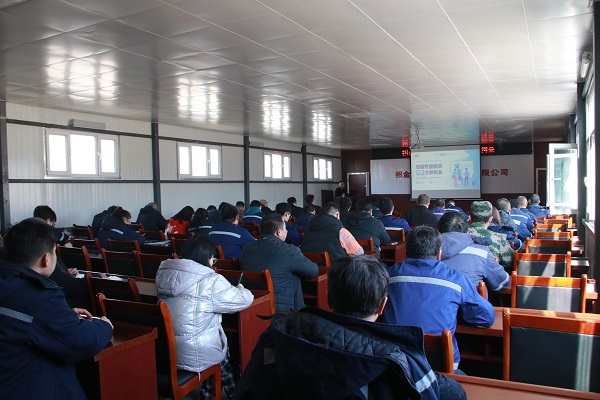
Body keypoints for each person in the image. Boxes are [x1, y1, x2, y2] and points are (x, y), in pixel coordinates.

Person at [235, 255, 466, 400]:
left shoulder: (277, 334)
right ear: (382, 305)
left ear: (328, 297)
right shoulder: (400, 359)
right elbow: (455, 394)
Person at [0, 218, 113, 400]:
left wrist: (62, 315)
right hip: (32, 388)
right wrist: (104, 326)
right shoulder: (41, 297)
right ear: (46, 259)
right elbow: (82, 342)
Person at [383, 226, 495, 372]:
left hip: (394, 365)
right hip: (442, 368)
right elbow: (486, 317)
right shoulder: (456, 279)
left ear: (405, 251)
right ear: (439, 254)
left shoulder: (387, 276)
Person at [156, 236, 253, 399]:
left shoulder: (165, 274)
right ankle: (234, 393)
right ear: (208, 257)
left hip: (167, 352)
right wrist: (241, 288)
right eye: (213, 259)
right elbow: (244, 300)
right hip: (196, 354)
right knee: (222, 354)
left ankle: (212, 393)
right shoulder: (211, 280)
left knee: (213, 343)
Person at [242, 214, 318, 312]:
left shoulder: (247, 248)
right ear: (278, 232)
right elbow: (313, 271)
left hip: (253, 304)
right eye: (285, 228)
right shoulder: (290, 251)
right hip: (281, 309)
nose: (287, 231)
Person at [438, 212, 510, 292]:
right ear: (467, 230)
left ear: (438, 230)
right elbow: (502, 283)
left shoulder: (428, 252)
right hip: (469, 299)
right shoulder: (482, 252)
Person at [467, 201, 515, 269]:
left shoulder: (458, 236)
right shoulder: (498, 238)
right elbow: (510, 264)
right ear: (490, 219)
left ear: (469, 217)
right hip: (490, 274)